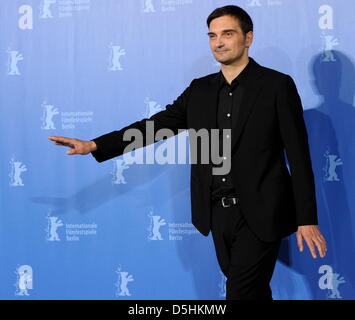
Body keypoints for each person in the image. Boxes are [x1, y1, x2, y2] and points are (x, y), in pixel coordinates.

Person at [48, 5, 327, 300]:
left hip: (262, 212)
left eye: (228, 34)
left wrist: (306, 218)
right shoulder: (200, 90)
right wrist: (95, 145)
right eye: (212, 36)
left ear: (248, 38)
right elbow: (156, 126)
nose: (218, 42)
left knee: (241, 293)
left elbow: (298, 156)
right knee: (252, 292)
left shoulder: (276, 85)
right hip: (217, 214)